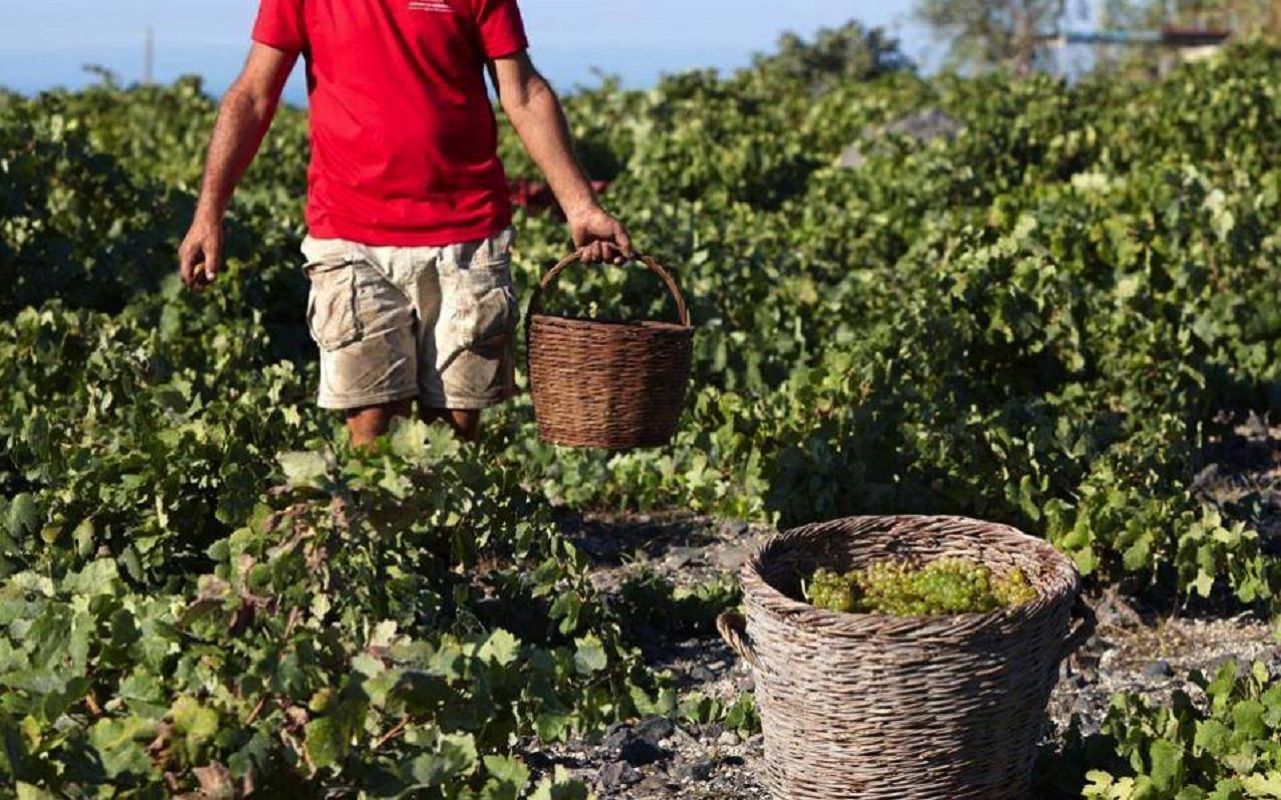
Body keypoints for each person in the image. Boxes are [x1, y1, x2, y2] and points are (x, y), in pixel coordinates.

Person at [178, 0, 631, 446]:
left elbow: (524, 93)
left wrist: (581, 206)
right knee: (372, 422)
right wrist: (208, 213)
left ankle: (445, 523)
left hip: (467, 234)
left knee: (455, 426)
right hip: (348, 235)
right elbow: (253, 95)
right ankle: (369, 521)